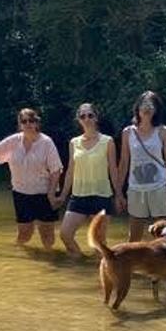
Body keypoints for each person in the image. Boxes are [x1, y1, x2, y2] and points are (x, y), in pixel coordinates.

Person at [0, 108, 63, 248]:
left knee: (47, 236)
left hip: (44, 194)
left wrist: (51, 194)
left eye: (31, 120)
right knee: (24, 234)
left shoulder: (46, 142)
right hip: (21, 193)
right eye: (24, 121)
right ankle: (17, 263)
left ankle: (49, 261)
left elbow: (56, 170)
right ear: (20, 124)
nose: (28, 124)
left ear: (37, 122)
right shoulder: (14, 141)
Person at [51, 102, 123, 257]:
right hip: (78, 196)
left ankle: (100, 275)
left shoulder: (107, 141)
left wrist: (119, 195)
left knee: (99, 242)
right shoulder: (74, 142)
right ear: (79, 120)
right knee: (65, 234)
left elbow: (113, 170)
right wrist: (63, 195)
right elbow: (70, 170)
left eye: (90, 115)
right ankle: (81, 264)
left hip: (101, 196)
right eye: (83, 116)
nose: (87, 118)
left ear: (96, 118)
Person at [115, 91, 166, 241]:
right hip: (135, 188)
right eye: (144, 104)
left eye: (151, 105)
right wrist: (118, 193)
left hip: (159, 186)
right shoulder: (127, 132)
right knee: (134, 238)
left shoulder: (163, 131)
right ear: (137, 108)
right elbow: (124, 163)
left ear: (156, 110)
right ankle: (135, 264)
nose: (147, 108)